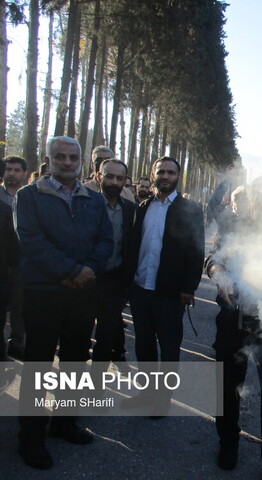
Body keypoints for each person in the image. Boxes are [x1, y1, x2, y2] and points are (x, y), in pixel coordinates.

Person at [14, 136, 113, 469]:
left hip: (82, 295)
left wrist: (89, 270)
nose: (67, 162)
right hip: (44, 293)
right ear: (49, 159)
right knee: (39, 365)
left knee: (74, 360)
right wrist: (70, 270)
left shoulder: (94, 200)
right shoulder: (29, 196)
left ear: (81, 161)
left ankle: (64, 422)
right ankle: (31, 436)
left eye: (73, 157)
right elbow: (31, 242)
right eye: (60, 157)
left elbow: (105, 240)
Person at [206, 185, 262, 480]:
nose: (251, 205)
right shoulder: (230, 227)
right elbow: (212, 259)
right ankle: (228, 442)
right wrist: (219, 274)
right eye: (243, 200)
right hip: (232, 319)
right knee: (227, 386)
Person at [125, 156, 204, 414]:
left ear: (177, 177)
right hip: (141, 289)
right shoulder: (143, 206)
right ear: (153, 174)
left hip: (170, 293)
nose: (165, 176)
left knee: (169, 348)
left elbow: (196, 252)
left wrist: (188, 288)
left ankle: (162, 400)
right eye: (161, 172)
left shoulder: (190, 210)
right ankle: (146, 394)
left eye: (171, 172)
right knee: (144, 345)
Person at [91, 159, 135, 377]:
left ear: (125, 182)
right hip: (85, 279)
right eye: (109, 176)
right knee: (78, 334)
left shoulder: (131, 210)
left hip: (114, 283)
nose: (114, 182)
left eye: (119, 178)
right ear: (98, 176)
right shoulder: (85, 205)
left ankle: (96, 383)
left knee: (106, 335)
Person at [0, 156, 27, 359]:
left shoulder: (29, 197)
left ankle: (17, 344)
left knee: (20, 308)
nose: (12, 173)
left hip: (22, 263)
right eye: (9, 169)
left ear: (24, 174)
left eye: (17, 170)